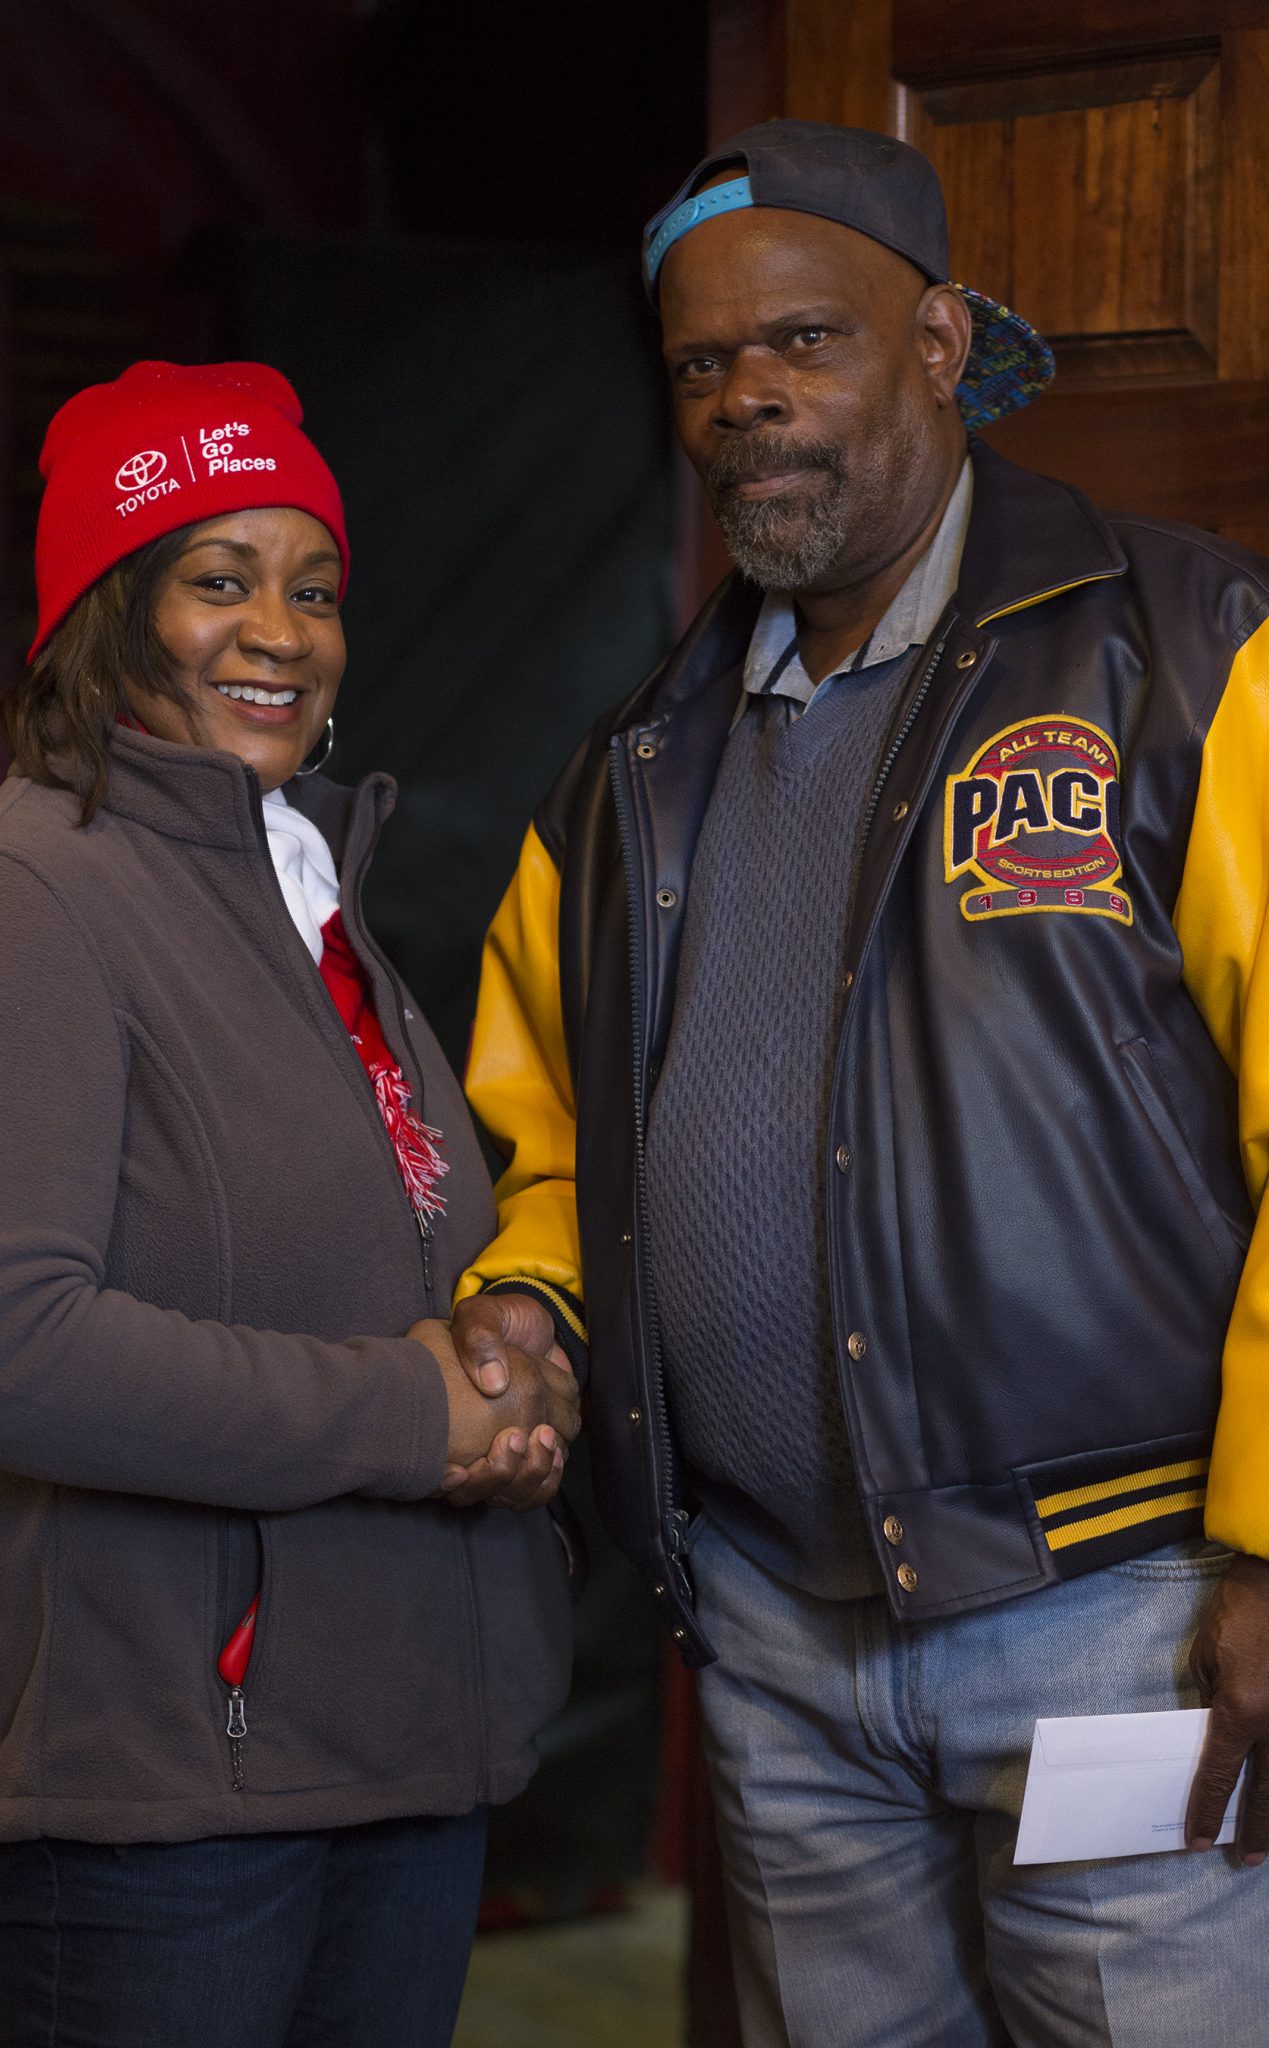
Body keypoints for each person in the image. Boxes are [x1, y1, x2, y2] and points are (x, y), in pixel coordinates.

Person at [450, 123, 1269, 2044]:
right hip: (773, 1635)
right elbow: (556, 1144)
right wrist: (528, 1303)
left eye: (801, 340)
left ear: (938, 340)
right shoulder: (626, 771)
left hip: (1125, 1622)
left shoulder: (1184, 651)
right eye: (701, 362)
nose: (744, 396)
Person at [0, 358, 580, 2048]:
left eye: (316, 589)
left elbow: (393, 1253)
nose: (282, 632)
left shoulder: (304, 890)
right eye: (219, 580)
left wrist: (506, 1365)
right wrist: (411, 1412)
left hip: (402, 1753)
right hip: (163, 1800)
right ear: (106, 612)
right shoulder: (13, 891)